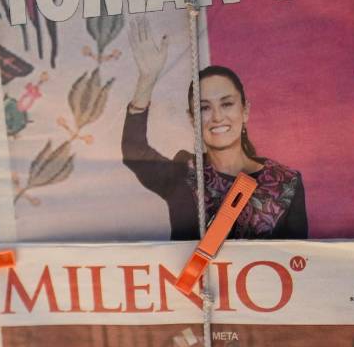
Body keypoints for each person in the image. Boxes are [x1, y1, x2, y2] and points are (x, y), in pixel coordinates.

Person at [121, 16, 307, 240]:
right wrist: (146, 80)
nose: (217, 117)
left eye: (227, 104)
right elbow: (134, 150)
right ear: (192, 119)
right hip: (194, 276)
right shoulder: (184, 172)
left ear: (245, 110)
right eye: (204, 108)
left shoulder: (286, 182)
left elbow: (297, 262)